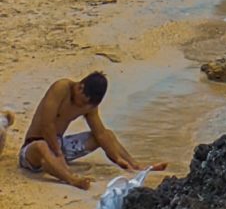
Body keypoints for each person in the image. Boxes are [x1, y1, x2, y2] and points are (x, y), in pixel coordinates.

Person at [20, 74, 157, 187]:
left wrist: (117, 158)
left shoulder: (89, 105)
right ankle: (71, 179)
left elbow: (101, 134)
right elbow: (47, 125)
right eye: (83, 102)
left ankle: (135, 165)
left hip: (60, 145)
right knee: (41, 146)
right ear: (80, 87)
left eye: (88, 105)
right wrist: (57, 153)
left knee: (108, 134)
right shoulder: (61, 88)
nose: (84, 107)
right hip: (35, 147)